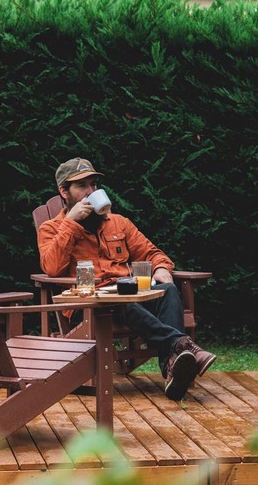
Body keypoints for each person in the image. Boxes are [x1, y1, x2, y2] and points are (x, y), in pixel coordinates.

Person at [37, 157, 216, 400]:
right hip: (88, 305)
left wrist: (161, 268)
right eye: (82, 186)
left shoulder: (118, 223)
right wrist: (70, 223)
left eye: (93, 184)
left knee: (168, 289)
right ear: (63, 192)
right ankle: (183, 346)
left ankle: (172, 365)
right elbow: (51, 268)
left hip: (128, 297)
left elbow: (152, 253)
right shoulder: (51, 228)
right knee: (122, 301)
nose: (90, 191)